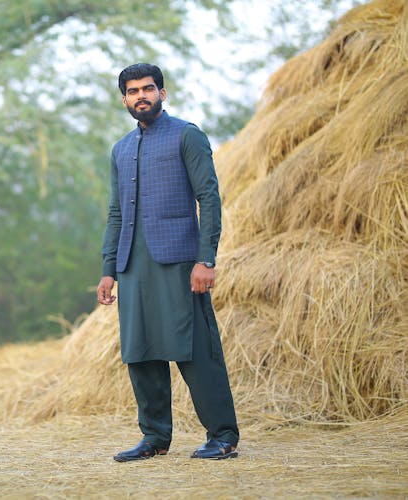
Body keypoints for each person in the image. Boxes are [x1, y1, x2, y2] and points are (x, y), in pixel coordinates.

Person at [97, 63, 239, 461]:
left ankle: (223, 435)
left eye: (148, 89)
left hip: (180, 262)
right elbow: (115, 212)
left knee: (194, 349)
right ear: (124, 99)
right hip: (131, 265)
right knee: (141, 351)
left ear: (162, 92)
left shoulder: (187, 136)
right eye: (132, 91)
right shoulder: (121, 149)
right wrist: (109, 268)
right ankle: (155, 438)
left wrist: (205, 259)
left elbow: (208, 198)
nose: (141, 96)